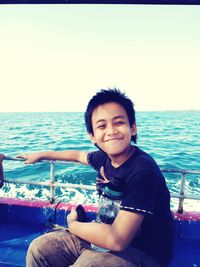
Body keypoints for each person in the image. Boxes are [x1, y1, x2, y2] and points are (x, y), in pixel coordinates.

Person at [19, 89, 174, 267]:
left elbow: (118, 240)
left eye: (119, 122)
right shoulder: (103, 158)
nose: (111, 131)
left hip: (144, 252)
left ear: (132, 127)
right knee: (40, 248)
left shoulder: (142, 170)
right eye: (102, 126)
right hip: (102, 240)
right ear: (92, 136)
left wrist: (74, 224)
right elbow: (77, 155)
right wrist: (41, 154)